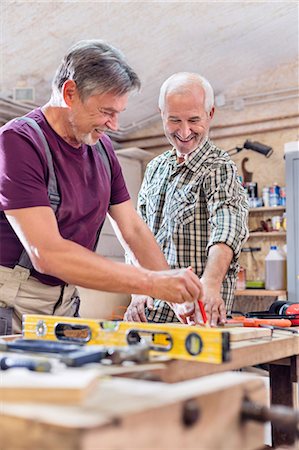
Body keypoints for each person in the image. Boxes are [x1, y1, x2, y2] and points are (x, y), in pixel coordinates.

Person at [0, 43, 203, 335]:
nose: (115, 125)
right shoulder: (19, 142)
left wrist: (174, 292)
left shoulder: (103, 150)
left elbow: (132, 229)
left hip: (66, 302)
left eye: (119, 112)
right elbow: (46, 253)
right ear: (70, 93)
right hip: (12, 300)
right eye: (107, 111)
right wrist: (150, 282)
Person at [124, 72, 249, 326]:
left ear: (210, 114)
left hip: (199, 317)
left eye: (194, 120)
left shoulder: (219, 167)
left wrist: (210, 284)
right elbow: (138, 235)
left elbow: (227, 226)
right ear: (161, 113)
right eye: (174, 120)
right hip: (152, 316)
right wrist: (137, 288)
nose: (184, 131)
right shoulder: (155, 168)